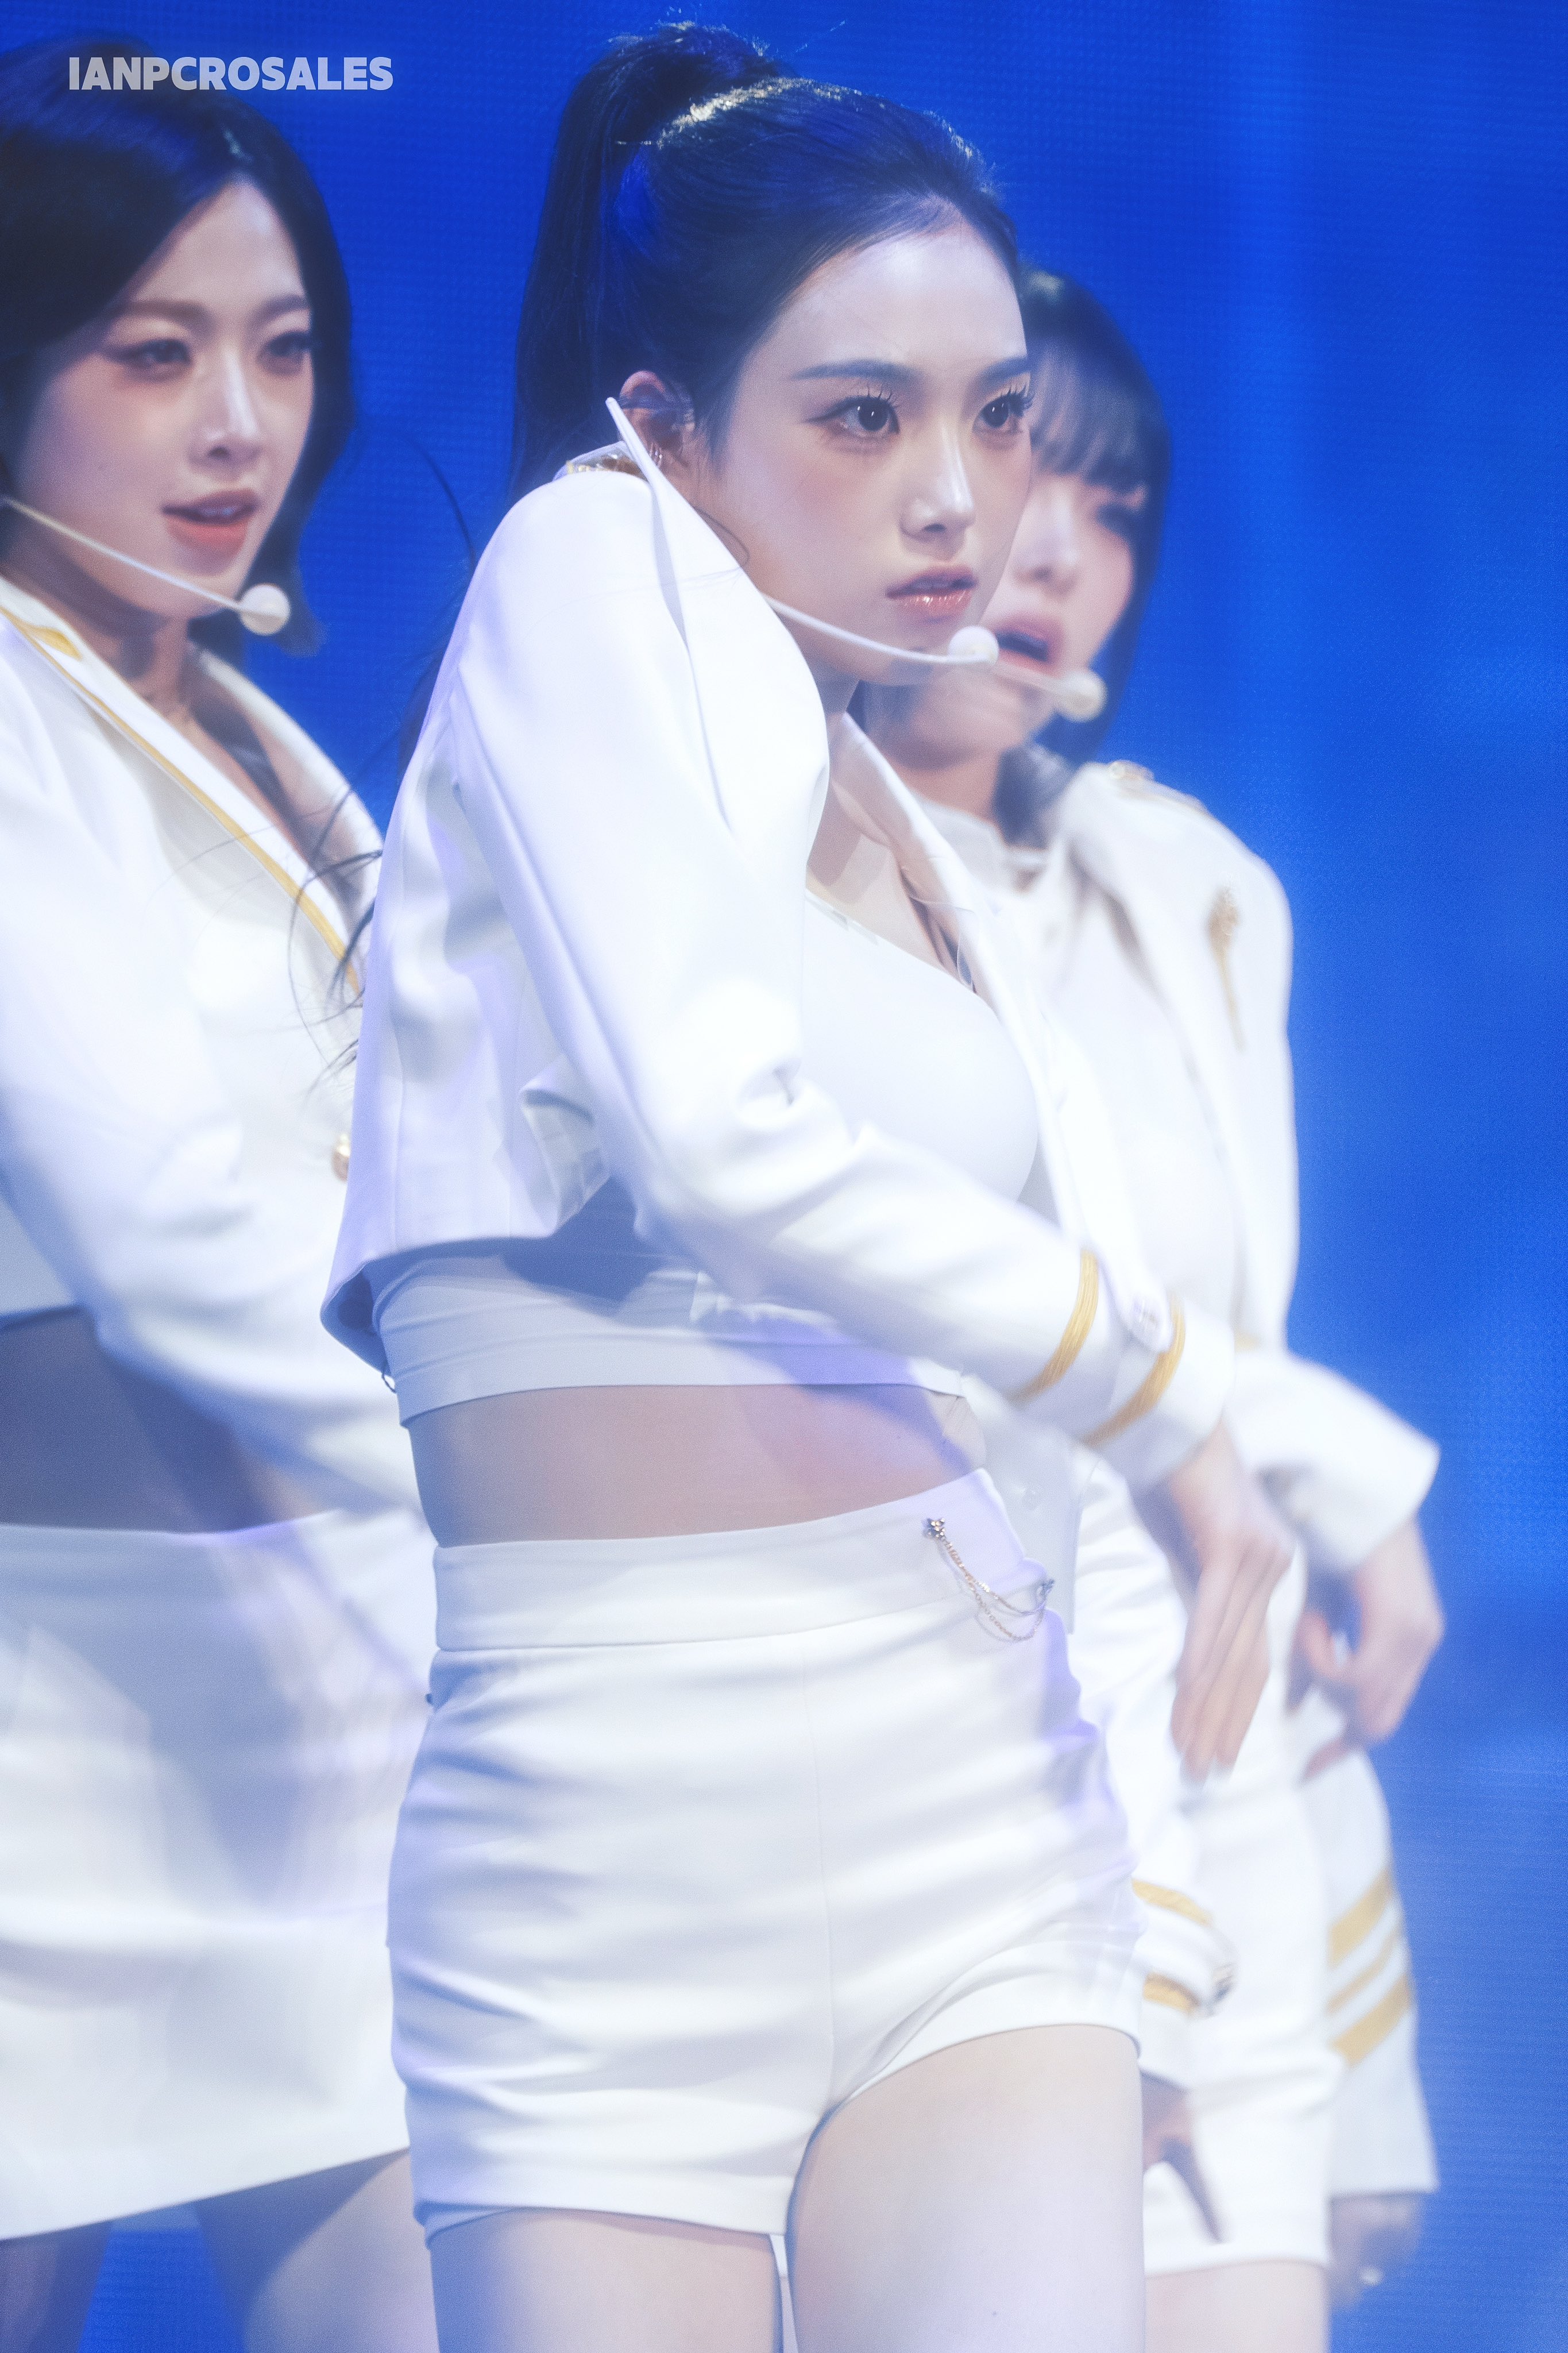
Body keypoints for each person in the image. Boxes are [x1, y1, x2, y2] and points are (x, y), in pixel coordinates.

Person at [322, 29, 1294, 2353]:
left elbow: (1018, 1398)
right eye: (865, 417)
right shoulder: (585, 557)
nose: (962, 498)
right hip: (612, 1824)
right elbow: (709, 1131)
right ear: (664, 426)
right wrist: (1159, 1387)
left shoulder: (888, 800)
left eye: (998, 413)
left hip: (979, 1806)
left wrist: (1156, 1892)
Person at [864, 265, 1444, 2352]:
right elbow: (968, 1317)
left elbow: (1201, 1319)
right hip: (943, 1758)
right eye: (1024, 475)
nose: (1055, 559)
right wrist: (1345, 1475)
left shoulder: (1184, 890)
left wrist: (1320, 1486)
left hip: (1215, 1743)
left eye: (1113, 515)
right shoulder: (775, 871)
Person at [0, 44, 438, 2353]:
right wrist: (517, 1480)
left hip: (331, 1712)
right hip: (45, 1732)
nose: (236, 428)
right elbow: (162, 1232)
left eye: (281, 352)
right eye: (151, 354)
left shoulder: (256, 725)